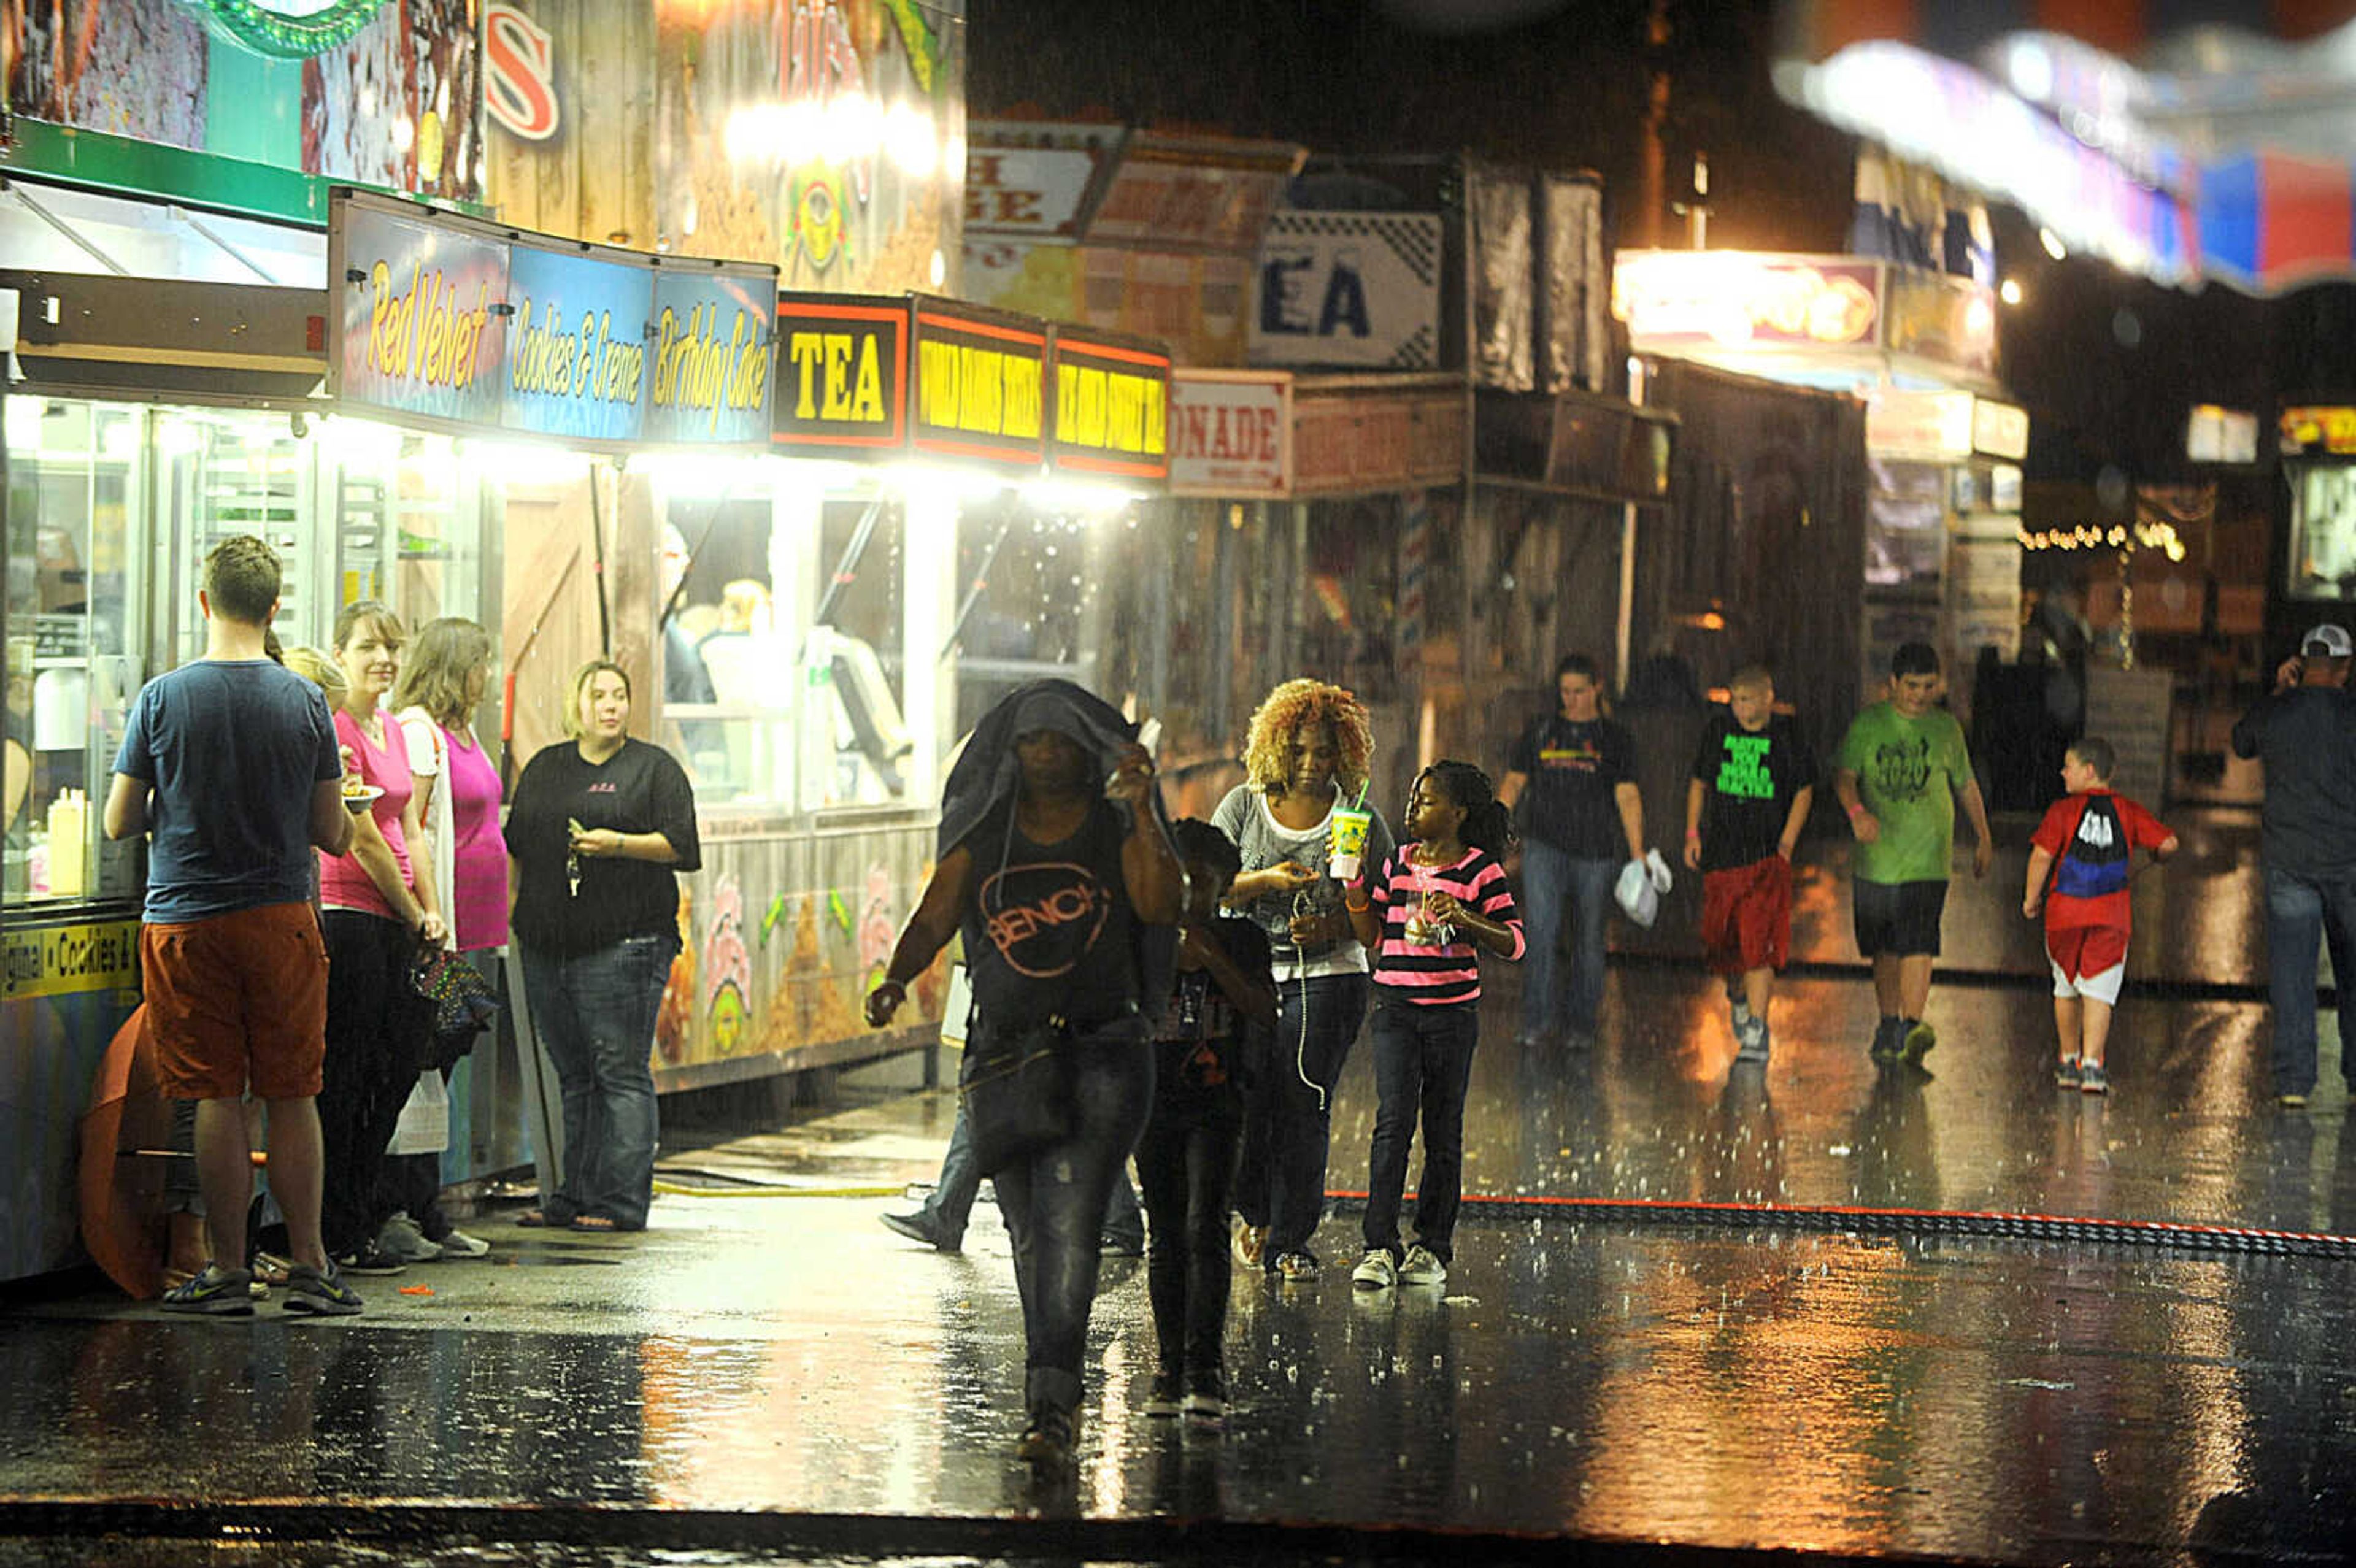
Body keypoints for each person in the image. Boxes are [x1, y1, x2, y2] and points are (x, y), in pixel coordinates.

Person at [864, 680, 1182, 1465]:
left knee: (1070, 1225)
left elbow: (1160, 902)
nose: (1044, 755)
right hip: (1005, 1054)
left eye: (1060, 743)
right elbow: (938, 912)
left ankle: (1051, 1402)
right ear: (1009, 756)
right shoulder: (988, 831)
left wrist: (1143, 808)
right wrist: (897, 977)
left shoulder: (1115, 827)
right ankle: (1051, 1385)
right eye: (1031, 742)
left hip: (1104, 1051)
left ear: (1087, 753)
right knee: (1027, 1232)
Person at [100, 534, 363, 1316]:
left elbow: (119, 821)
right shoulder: (304, 700)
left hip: (185, 921)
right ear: (274, 607)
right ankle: (311, 1267)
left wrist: (178, 805)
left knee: (214, 1096)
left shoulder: (161, 698)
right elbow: (330, 832)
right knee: (292, 1092)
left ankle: (228, 1270)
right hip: (281, 919)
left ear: (204, 600)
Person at [508, 659, 701, 1232]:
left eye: (620, 695)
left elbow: (682, 846)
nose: (611, 705)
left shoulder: (653, 769)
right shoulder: (546, 767)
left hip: (627, 941)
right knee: (575, 1074)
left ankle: (620, 1204)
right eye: (599, 695)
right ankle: (573, 1195)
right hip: (547, 940)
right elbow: (517, 843)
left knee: (619, 1070)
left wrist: (618, 844)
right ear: (578, 704)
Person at [1212, 678, 1392, 1283]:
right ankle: (1253, 1213)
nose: (1312, 766)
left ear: (1344, 753)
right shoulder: (1243, 807)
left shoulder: (1359, 817)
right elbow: (1207, 885)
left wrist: (1336, 922)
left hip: (1329, 979)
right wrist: (1266, 884)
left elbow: (1385, 915)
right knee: (1246, 1099)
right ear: (1275, 750)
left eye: (1324, 753)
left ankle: (1293, 1241)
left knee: (1304, 1100)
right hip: (1249, 979)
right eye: (1299, 753)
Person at [1342, 761, 1522, 1293]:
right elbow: (1372, 935)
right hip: (1395, 1010)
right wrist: (1353, 884)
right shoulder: (1398, 863)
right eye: (1413, 799)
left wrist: (1465, 918)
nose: (1412, 808)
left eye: (1426, 801)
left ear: (1458, 813)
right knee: (1393, 1124)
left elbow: (1515, 943)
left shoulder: (1479, 871)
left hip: (1451, 1015)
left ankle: (1432, 1245)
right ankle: (1378, 1245)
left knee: (1443, 1128)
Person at [315, 601, 445, 1276]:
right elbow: (361, 835)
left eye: (392, 648)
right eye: (368, 647)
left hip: (404, 922)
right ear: (340, 654)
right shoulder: (336, 727)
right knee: (350, 1074)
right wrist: (408, 911)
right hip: (353, 917)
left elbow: (412, 830)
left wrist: (433, 911)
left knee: (416, 1050)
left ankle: (365, 1211)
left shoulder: (393, 729)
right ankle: (339, 1230)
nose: (383, 660)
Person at [1137, 819, 1274, 1426]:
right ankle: (1169, 1368)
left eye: (1207, 884)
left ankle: (1206, 1368)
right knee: (1166, 1234)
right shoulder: (1143, 937)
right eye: (1183, 881)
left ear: (1224, 886)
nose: (1193, 894)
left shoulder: (1244, 940)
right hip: (1154, 1103)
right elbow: (1124, 1011)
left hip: (1219, 1105)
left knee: (1207, 1226)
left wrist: (1211, 954)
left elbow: (1263, 1010)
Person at [385, 616, 506, 1262]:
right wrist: (427, 917)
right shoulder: (419, 732)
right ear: (455, 668)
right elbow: (414, 827)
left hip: (477, 925)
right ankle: (402, 1205)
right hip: (441, 930)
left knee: (447, 1056)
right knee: (420, 1061)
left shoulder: (466, 733)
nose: (487, 675)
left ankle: (427, 1206)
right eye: (480, 663)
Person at [1833, 641, 1993, 1067]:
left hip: (1928, 858)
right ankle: (1889, 1022)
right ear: (1892, 684)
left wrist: (1983, 834)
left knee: (1920, 940)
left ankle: (1911, 1024)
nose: (1920, 695)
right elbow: (1845, 777)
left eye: (1928, 686)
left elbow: (1965, 783)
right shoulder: (1868, 725)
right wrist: (1857, 814)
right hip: (1877, 859)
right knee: (1884, 947)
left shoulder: (1946, 729)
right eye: (1912, 686)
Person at [2230, 623, 2356, 1109]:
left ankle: (2294, 1082)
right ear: (2346, 668)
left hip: (2290, 861)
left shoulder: (2278, 710)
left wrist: (2281, 691)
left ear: (2302, 664)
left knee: (2292, 974)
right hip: (2349, 862)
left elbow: (2242, 741)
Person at [1498, 653, 1644, 1051]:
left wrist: (1638, 852)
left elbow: (1627, 794)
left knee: (1589, 940)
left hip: (1595, 850)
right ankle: (1537, 1021)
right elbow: (1515, 781)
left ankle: (1581, 1025)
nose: (1572, 700)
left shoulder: (1614, 739)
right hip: (1544, 845)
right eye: (1566, 692)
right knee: (1540, 933)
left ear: (1597, 688)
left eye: (1580, 692)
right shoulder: (1543, 730)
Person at [2021, 736, 2179, 1095]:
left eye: (2069, 766)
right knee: (2099, 992)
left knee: (2065, 988)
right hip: (2111, 917)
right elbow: (2168, 843)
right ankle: (2093, 1066)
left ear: (2089, 771)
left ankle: (2067, 1060)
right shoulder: (2128, 811)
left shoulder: (2062, 811)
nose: (2063, 773)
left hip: (2063, 916)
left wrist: (2031, 898)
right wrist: (2158, 857)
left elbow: (2042, 856)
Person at [1683, 666, 1816, 1066]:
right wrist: (1692, 833)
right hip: (1721, 854)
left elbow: (1804, 788)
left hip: (1764, 857)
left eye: (1749, 700)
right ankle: (1737, 994)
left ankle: (1758, 1027)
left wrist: (1787, 843)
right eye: (1736, 701)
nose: (1742, 709)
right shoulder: (1718, 732)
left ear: (1767, 700)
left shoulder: (1787, 737)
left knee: (1759, 943)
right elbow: (1699, 781)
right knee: (1720, 941)